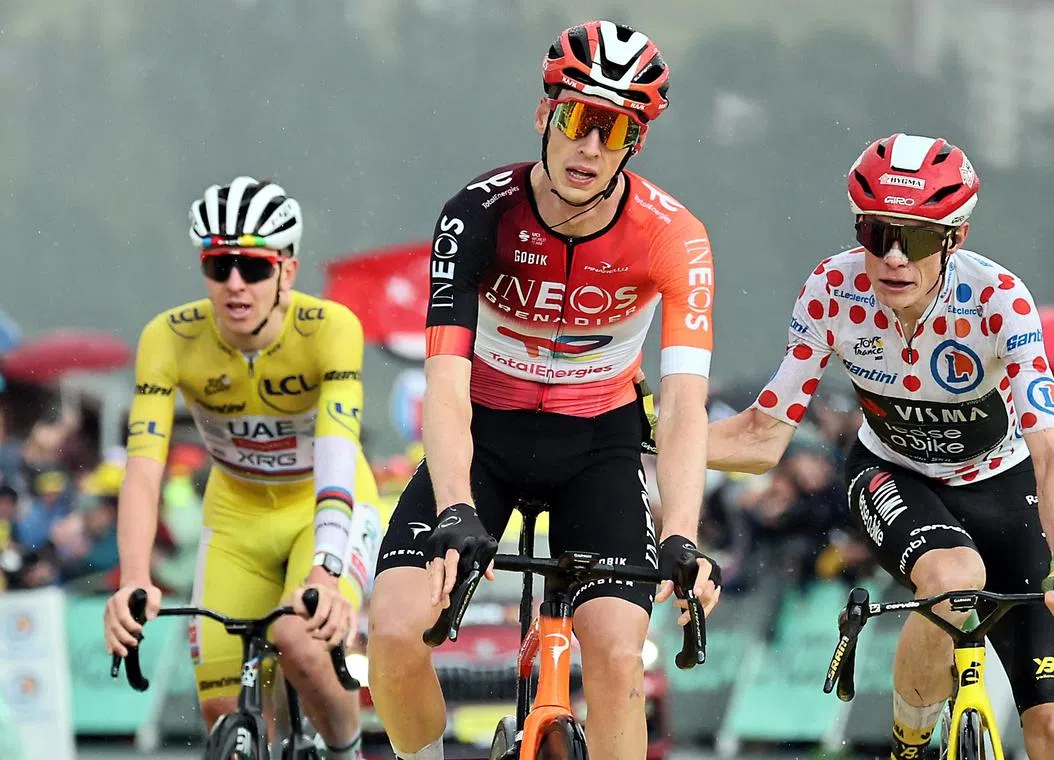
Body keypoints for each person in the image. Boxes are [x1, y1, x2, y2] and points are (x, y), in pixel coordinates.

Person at [366, 20, 722, 760]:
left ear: (635, 143)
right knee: (394, 635)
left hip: (597, 446)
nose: (589, 147)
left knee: (619, 657)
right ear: (543, 115)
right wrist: (456, 507)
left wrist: (684, 533)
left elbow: (685, 401)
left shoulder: (674, 236)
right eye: (576, 119)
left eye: (614, 130)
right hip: (486, 438)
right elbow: (445, 379)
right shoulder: (477, 213)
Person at [707, 133, 1054, 760]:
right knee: (952, 578)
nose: (893, 258)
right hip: (894, 474)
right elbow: (762, 437)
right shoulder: (833, 289)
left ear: (956, 238)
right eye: (877, 235)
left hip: (1004, 488)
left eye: (917, 239)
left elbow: (1053, 453)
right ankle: (909, 745)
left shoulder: (997, 299)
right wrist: (647, 433)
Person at [102, 177, 383, 760]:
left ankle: (348, 752)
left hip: (322, 509)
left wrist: (326, 572)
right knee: (220, 709)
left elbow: (336, 450)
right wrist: (134, 577)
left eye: (253, 268)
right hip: (236, 519)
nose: (234, 283)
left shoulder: (330, 328)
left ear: (288, 271)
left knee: (298, 640)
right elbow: (144, 468)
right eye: (218, 265)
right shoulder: (169, 338)